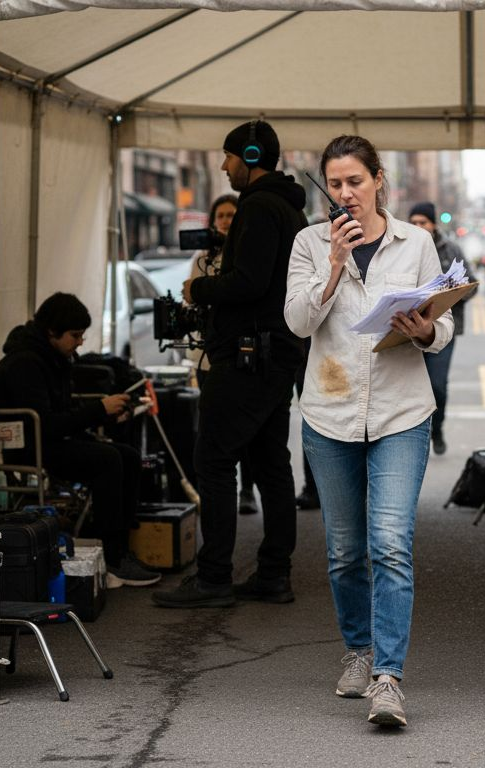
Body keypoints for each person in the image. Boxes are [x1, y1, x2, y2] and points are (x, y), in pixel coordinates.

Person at [285, 135, 453, 728]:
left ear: (379, 180)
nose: (345, 193)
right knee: (344, 551)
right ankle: (356, 650)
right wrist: (333, 264)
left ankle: (388, 677)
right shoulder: (309, 242)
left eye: (355, 181)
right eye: (334, 184)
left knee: (390, 544)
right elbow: (298, 321)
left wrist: (424, 329)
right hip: (329, 412)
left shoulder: (416, 242)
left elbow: (445, 323)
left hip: (400, 412)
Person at [152, 119, 307, 609]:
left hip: (247, 356)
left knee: (213, 460)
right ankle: (273, 574)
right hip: (273, 354)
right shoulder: (286, 207)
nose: (223, 166)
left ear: (252, 156)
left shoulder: (260, 206)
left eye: (229, 157)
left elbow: (250, 282)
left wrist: (200, 288)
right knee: (268, 462)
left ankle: (214, 576)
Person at [0, 292, 161, 588]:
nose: (81, 342)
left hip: (52, 439)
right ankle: (112, 556)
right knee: (108, 460)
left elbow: (62, 414)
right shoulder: (25, 364)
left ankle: (118, 550)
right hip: (33, 448)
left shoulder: (54, 357)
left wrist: (105, 413)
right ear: (51, 331)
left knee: (128, 455)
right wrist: (98, 410)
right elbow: (46, 424)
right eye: (75, 335)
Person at [186, 194, 261, 516]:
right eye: (221, 216)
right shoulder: (202, 259)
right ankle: (220, 493)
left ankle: (246, 489)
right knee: (214, 429)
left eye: (232, 215)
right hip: (207, 355)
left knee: (243, 428)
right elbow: (191, 295)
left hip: (240, 352)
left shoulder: (249, 258)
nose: (226, 221)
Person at [408, 201, 476, 456]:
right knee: (410, 389)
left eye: (423, 222)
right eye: (413, 222)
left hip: (442, 330)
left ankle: (437, 429)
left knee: (437, 386)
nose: (418, 227)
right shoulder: (403, 248)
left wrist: (449, 295)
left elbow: (472, 285)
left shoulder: (451, 249)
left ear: (433, 224)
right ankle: (415, 436)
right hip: (408, 330)